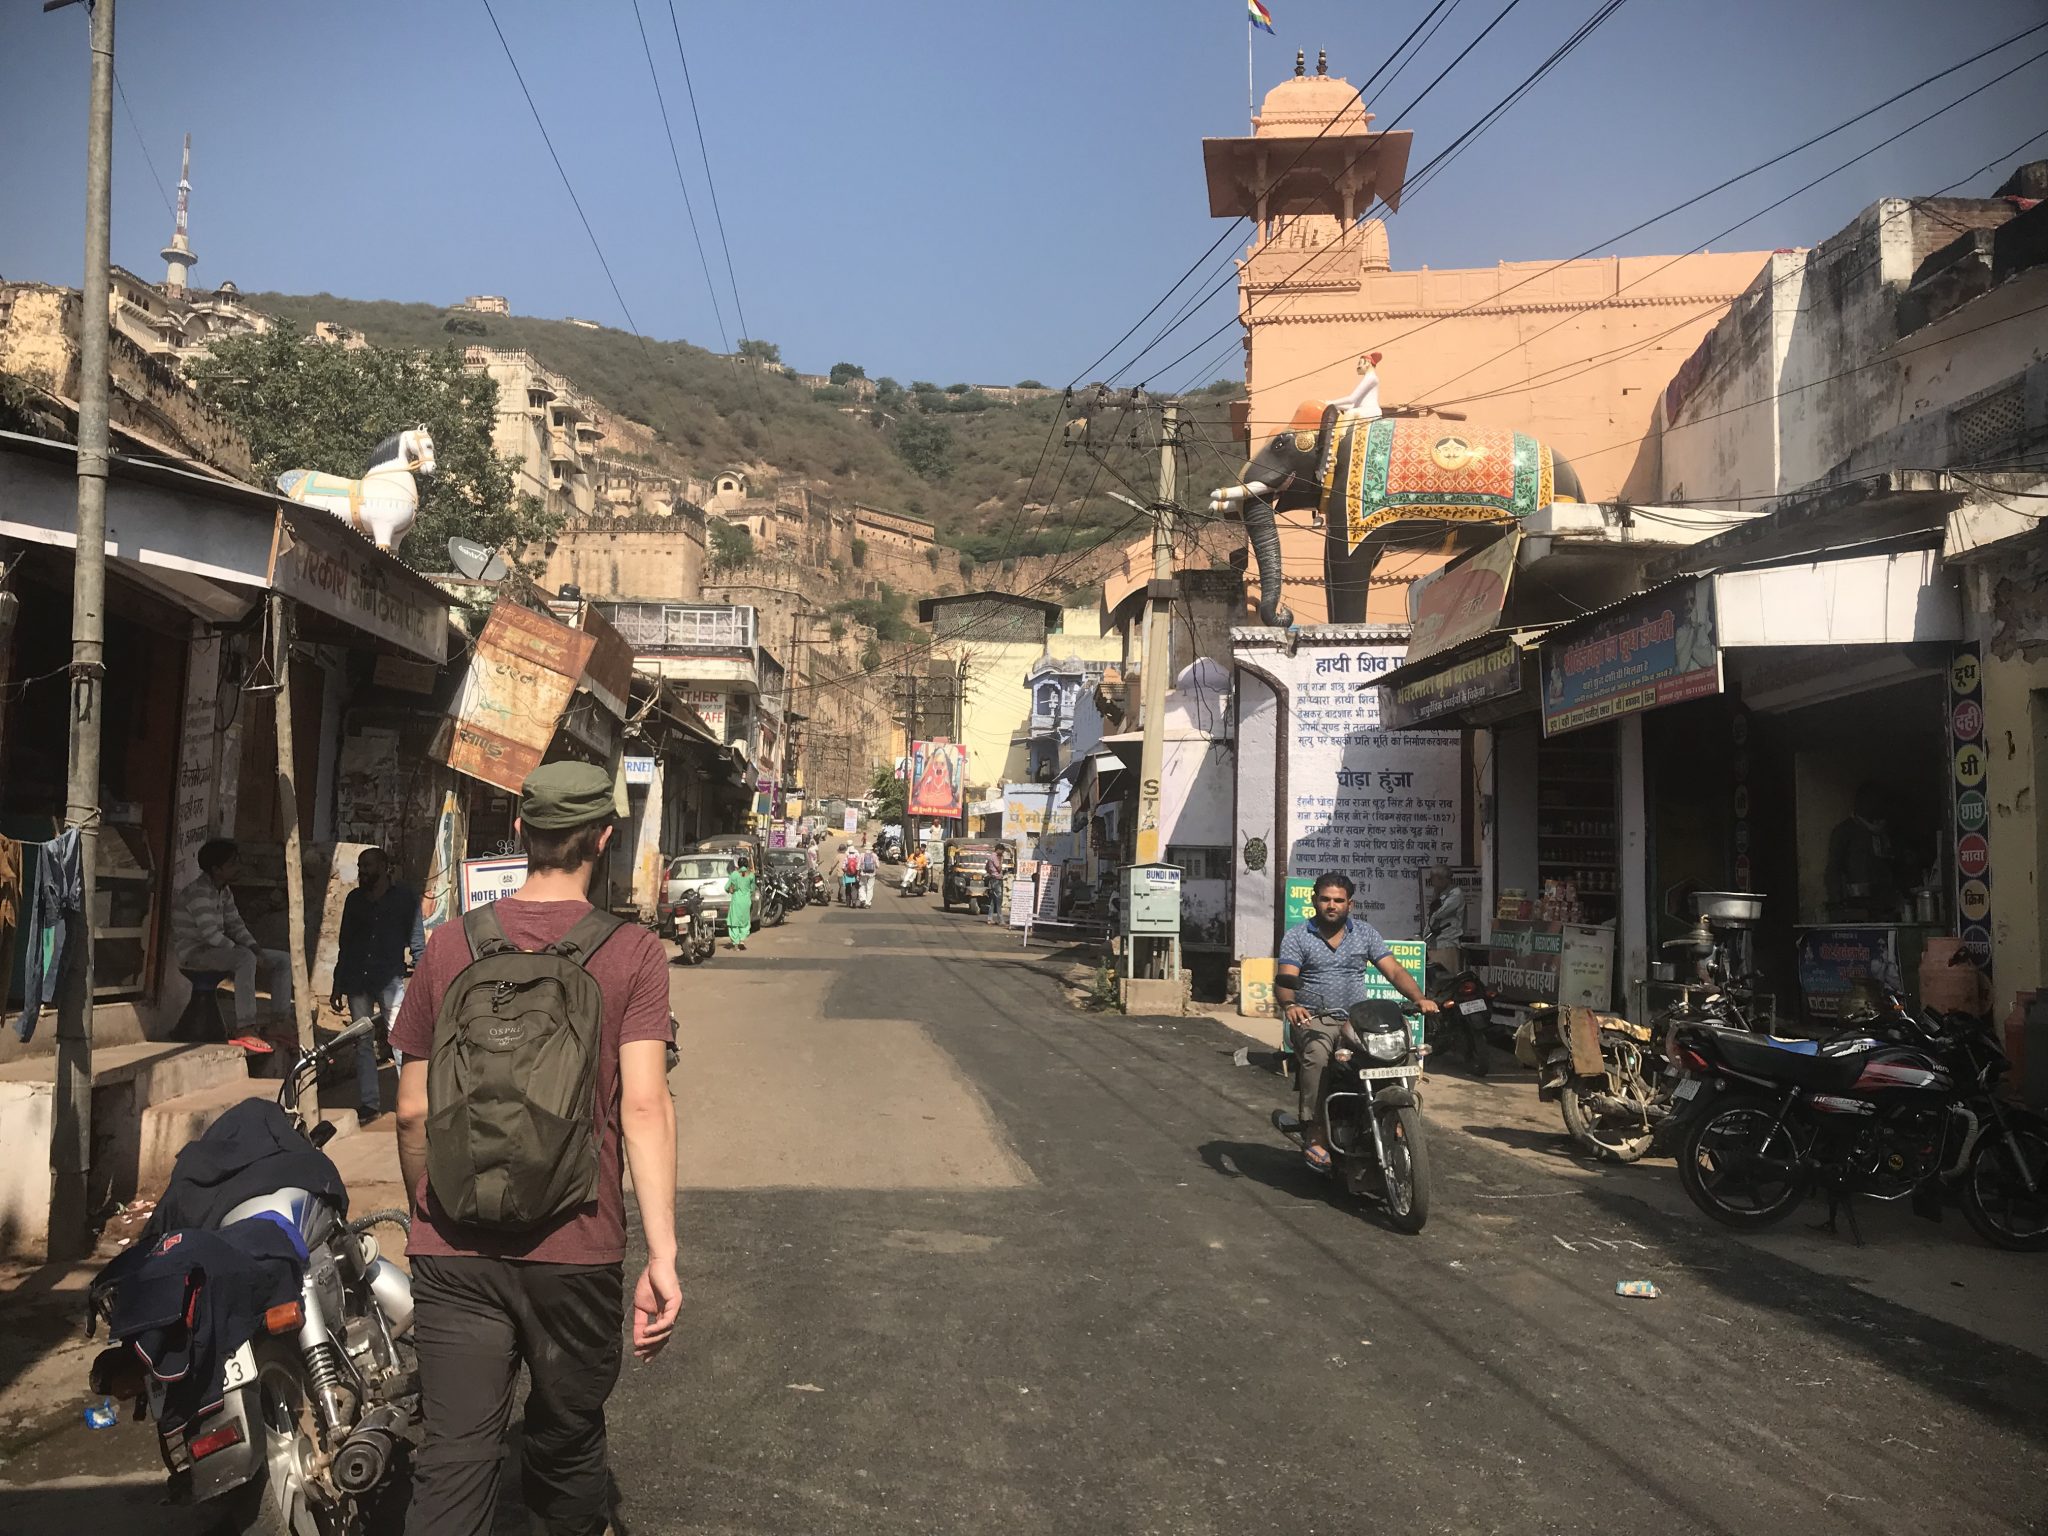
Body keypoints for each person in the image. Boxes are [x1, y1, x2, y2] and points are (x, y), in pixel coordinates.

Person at [392, 761, 679, 1536]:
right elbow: (645, 1106)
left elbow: (414, 1112)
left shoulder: (450, 945)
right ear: (605, 839)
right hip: (576, 1251)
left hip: (454, 1252)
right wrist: (662, 1256)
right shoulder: (633, 954)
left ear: (520, 833)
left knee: (453, 1459)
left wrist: (431, 1207)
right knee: (566, 1447)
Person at [1274, 871, 1437, 1171]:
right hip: (1314, 1019)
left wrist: (1419, 998)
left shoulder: (1365, 933)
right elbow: (1285, 980)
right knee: (1318, 1055)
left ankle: (1399, 1118)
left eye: (1338, 900)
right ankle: (1315, 1131)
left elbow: (1394, 972)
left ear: (1350, 904)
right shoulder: (1298, 937)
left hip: (1358, 1019)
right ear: (1314, 901)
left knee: (1402, 1050)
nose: (1331, 905)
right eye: (1325, 899)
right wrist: (1290, 1004)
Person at [330, 846, 426, 1122]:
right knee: (362, 1042)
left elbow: (417, 941)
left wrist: (422, 978)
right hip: (357, 979)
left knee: (400, 1039)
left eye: (368, 866)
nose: (363, 871)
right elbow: (345, 943)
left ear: (385, 868)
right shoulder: (354, 900)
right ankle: (369, 1104)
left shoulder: (405, 899)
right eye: (361, 866)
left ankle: (407, 1103)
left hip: (390, 978)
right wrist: (338, 982)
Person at [171, 838, 293, 1050]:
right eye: (232, 864)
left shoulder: (224, 891)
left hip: (216, 950)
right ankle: (245, 1026)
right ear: (217, 869)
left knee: (282, 959)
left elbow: (236, 925)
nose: (238, 868)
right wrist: (247, 953)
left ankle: (279, 1021)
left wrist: (257, 950)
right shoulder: (198, 892)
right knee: (244, 959)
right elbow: (211, 936)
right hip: (195, 954)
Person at [1826, 782, 1904, 921]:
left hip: (1884, 904)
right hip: (1855, 904)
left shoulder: (1886, 834)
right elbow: (1833, 869)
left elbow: (1894, 866)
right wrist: (1837, 903)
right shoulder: (1845, 831)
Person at [1422, 863, 1466, 978]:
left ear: (1441, 879)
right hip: (1434, 944)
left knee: (1445, 979)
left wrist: (1436, 894)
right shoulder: (1441, 894)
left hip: (1446, 943)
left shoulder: (1455, 894)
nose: (1432, 883)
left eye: (1433, 879)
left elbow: (1439, 913)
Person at [724, 858, 755, 950]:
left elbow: (726, 887)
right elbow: (752, 889)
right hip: (746, 901)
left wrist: (731, 890)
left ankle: (735, 943)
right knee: (745, 922)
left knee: (734, 922)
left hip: (736, 901)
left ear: (738, 865)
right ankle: (742, 940)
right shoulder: (751, 875)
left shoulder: (734, 874)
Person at [857, 840, 879, 908]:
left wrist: (858, 873)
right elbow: (878, 866)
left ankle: (862, 899)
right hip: (872, 874)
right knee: (870, 888)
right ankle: (868, 903)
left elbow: (857, 866)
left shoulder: (861, 855)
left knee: (862, 886)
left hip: (863, 873)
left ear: (865, 848)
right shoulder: (874, 855)